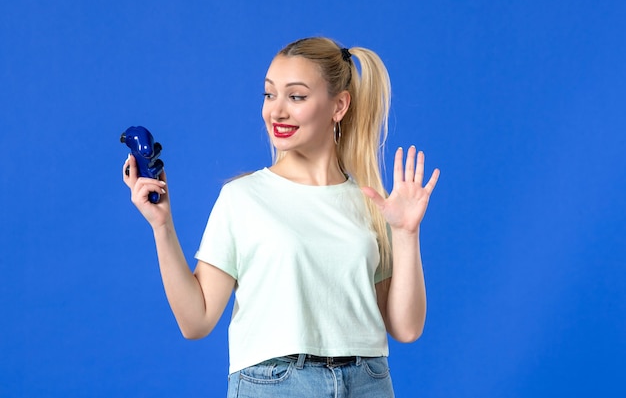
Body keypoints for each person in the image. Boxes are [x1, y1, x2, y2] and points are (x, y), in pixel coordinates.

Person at [123, 37, 440, 398]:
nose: (276, 111)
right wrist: (161, 226)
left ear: (339, 105)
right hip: (276, 384)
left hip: (368, 381)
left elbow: (407, 328)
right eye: (269, 94)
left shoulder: (371, 203)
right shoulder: (243, 198)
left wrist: (406, 232)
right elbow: (196, 320)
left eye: (297, 96)